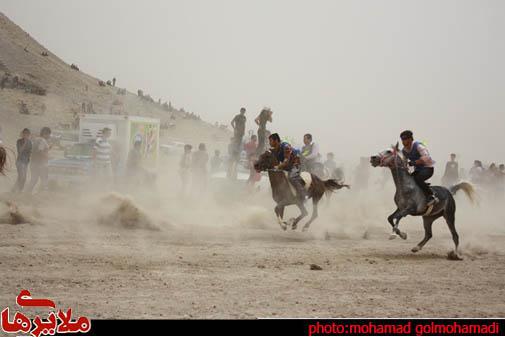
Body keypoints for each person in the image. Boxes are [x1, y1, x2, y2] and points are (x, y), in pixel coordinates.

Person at [400, 130, 437, 206]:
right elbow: (403, 161)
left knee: (417, 179)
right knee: (408, 180)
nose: (403, 142)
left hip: (428, 168)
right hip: (418, 170)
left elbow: (427, 157)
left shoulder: (418, 146)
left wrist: (413, 163)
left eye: (405, 139)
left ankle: (431, 196)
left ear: (410, 139)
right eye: (402, 140)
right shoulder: (404, 150)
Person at [269, 133, 305, 202]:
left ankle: (303, 194)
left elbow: (286, 161)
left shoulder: (286, 146)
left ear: (276, 140)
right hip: (287, 165)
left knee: (292, 177)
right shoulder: (274, 149)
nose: (269, 143)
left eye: (270, 141)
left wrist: (277, 167)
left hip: (296, 163)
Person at [26, 127, 52, 193]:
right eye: (49, 134)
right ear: (45, 133)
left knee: (34, 179)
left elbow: (35, 150)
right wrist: (47, 157)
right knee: (44, 179)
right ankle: (42, 193)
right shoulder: (43, 140)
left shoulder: (36, 139)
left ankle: (28, 192)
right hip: (40, 163)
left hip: (33, 162)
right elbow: (40, 151)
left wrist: (48, 148)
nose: (49, 136)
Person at [13, 128, 32, 192]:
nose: (26, 135)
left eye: (27, 134)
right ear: (22, 134)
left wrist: (29, 159)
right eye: (24, 133)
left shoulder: (30, 142)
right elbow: (20, 151)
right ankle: (19, 190)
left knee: (23, 177)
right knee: (22, 176)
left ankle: (15, 189)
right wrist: (25, 143)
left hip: (25, 162)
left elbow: (30, 152)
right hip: (20, 161)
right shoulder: (19, 141)